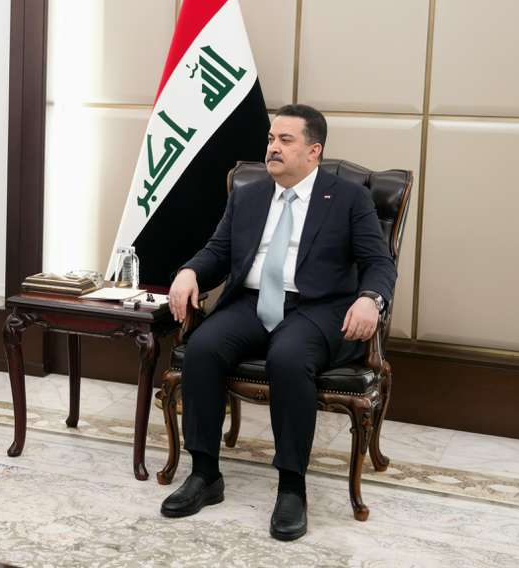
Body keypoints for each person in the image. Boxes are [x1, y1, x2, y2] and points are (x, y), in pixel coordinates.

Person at [159, 104, 395, 541]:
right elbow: (218, 251)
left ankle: (291, 487)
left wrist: (370, 299)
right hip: (251, 302)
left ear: (313, 151)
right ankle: (205, 474)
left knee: (288, 358)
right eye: (271, 139)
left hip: (317, 307)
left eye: (286, 140)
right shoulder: (248, 194)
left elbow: (379, 263)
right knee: (203, 348)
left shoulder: (348, 198)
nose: (273, 147)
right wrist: (189, 271)